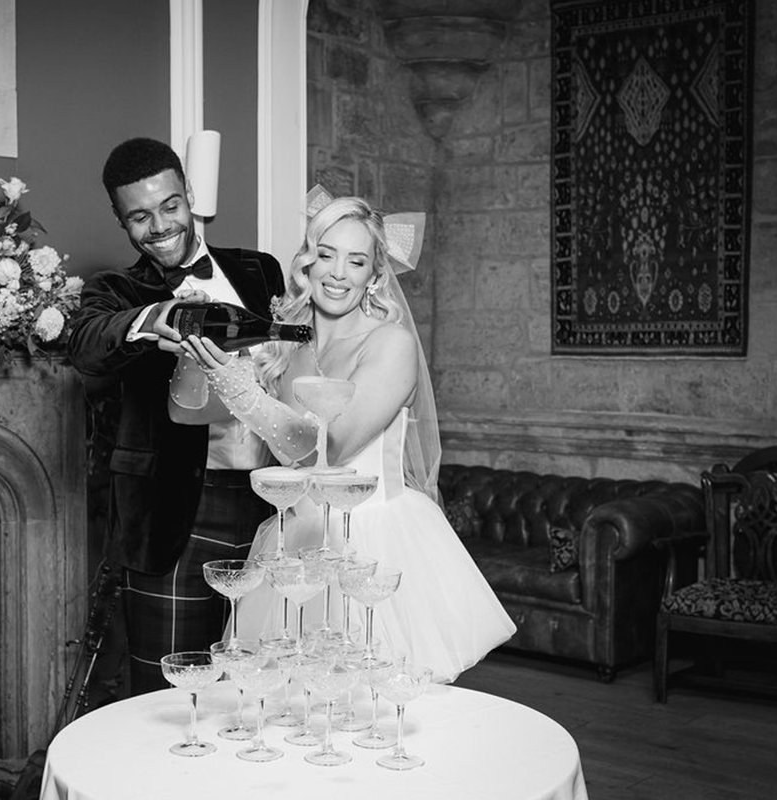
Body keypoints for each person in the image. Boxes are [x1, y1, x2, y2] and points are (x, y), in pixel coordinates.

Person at [170, 194, 515, 682]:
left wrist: (238, 387)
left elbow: (327, 452)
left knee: (372, 700)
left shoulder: (390, 344)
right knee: (292, 705)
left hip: (374, 543)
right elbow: (185, 413)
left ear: (374, 275)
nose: (337, 272)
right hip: (295, 545)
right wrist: (191, 337)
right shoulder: (282, 344)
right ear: (307, 262)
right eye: (326, 254)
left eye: (356, 261)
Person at [65, 137, 286, 695]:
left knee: (261, 685)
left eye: (169, 206)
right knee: (170, 694)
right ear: (121, 222)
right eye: (139, 216)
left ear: (189, 196)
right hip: (175, 515)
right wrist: (154, 316)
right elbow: (88, 342)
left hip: (273, 506)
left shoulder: (261, 271)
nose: (159, 226)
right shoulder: (115, 291)